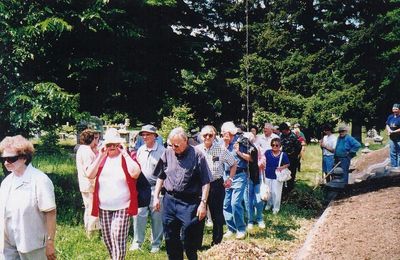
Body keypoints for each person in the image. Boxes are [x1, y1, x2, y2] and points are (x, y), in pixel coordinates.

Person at [153, 127, 212, 260]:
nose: (174, 148)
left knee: (189, 238)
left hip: (189, 203)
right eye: (171, 144)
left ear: (186, 141)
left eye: (177, 145)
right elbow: (161, 177)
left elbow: (206, 182)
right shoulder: (167, 153)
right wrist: (156, 197)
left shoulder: (198, 155)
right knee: (170, 237)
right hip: (169, 201)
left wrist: (203, 203)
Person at [86, 128, 141, 260]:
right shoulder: (101, 159)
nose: (111, 147)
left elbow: (135, 173)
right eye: (108, 145)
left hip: (123, 206)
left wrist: (125, 153)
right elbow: (89, 174)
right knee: (108, 239)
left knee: (117, 236)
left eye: (115, 144)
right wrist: (100, 156)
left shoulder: (128, 157)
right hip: (104, 206)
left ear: (120, 145)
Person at [0, 135, 56, 259]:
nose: (6, 162)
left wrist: (50, 242)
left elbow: (50, 213)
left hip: (32, 245)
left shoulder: (40, 180)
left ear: (24, 158)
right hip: (7, 244)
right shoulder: (6, 182)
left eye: (11, 158)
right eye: (3, 159)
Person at [197, 125, 237, 245]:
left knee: (217, 216)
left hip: (216, 185)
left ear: (215, 136)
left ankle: (217, 242)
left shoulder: (221, 149)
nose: (208, 137)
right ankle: (196, 244)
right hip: (200, 186)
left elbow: (233, 164)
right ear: (201, 136)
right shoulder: (196, 150)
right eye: (205, 135)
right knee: (198, 215)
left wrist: (230, 178)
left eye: (211, 135)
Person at [130, 125, 166, 253]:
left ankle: (155, 243)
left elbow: (164, 173)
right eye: (143, 135)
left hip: (157, 187)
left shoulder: (162, 151)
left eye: (148, 134)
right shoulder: (140, 150)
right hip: (142, 188)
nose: (145, 137)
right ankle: (137, 242)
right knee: (139, 215)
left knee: (157, 216)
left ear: (155, 136)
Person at [221, 122, 252, 239]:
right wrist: (224, 144)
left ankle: (241, 229)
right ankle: (231, 228)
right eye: (223, 132)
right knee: (226, 204)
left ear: (232, 132)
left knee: (235, 203)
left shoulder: (241, 142)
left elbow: (251, 158)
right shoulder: (221, 143)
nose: (224, 134)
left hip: (239, 175)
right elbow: (216, 158)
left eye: (226, 132)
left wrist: (239, 152)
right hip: (226, 175)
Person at [76, 129, 100, 237]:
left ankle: (89, 231)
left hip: (85, 184)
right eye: (96, 138)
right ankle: (91, 234)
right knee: (92, 209)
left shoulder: (83, 149)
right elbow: (89, 170)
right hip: (90, 184)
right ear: (91, 139)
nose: (97, 141)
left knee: (88, 208)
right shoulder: (87, 151)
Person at [242, 132, 264, 229]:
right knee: (248, 200)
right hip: (247, 177)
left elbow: (263, 159)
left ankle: (260, 219)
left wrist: (260, 163)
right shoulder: (242, 149)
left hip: (256, 176)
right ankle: (250, 220)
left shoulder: (257, 148)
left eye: (249, 139)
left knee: (259, 200)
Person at [264, 138, 290, 214]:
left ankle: (276, 208)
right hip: (268, 174)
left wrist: (281, 167)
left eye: (276, 145)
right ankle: (269, 204)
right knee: (268, 191)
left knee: (276, 193)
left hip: (277, 176)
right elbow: (263, 160)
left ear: (280, 146)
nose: (274, 146)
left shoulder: (283, 154)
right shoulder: (267, 152)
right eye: (272, 145)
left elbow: (288, 163)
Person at [279, 122, 302, 196]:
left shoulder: (293, 136)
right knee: (283, 175)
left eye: (283, 131)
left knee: (291, 176)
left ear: (286, 129)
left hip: (292, 160)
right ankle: (283, 191)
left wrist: (292, 155)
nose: (282, 132)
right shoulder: (281, 136)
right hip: (283, 160)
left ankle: (290, 192)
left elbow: (299, 148)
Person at [386, 103, 400, 168]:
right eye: (393, 109)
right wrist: (389, 130)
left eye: (396, 109)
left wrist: (393, 131)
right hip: (392, 138)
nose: (394, 110)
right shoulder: (390, 116)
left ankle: (399, 167)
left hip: (399, 138)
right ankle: (394, 167)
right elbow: (387, 124)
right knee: (392, 153)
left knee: (399, 153)